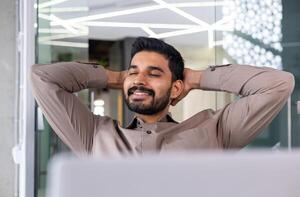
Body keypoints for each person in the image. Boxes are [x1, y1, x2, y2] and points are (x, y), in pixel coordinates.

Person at [30, 37, 294, 156]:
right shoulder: (92, 135)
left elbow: (278, 84)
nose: (139, 79)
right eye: (133, 72)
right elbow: (42, 78)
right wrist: (117, 78)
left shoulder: (216, 132)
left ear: (177, 88)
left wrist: (197, 77)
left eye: (154, 73)